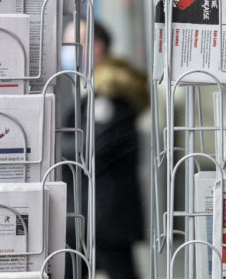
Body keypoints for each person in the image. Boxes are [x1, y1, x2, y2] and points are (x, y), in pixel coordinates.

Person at [61, 20, 147, 279]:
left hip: (104, 217)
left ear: (98, 48)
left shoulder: (110, 93)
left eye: (74, 43)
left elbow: (92, 151)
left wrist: (56, 148)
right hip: (95, 215)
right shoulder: (95, 91)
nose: (67, 50)